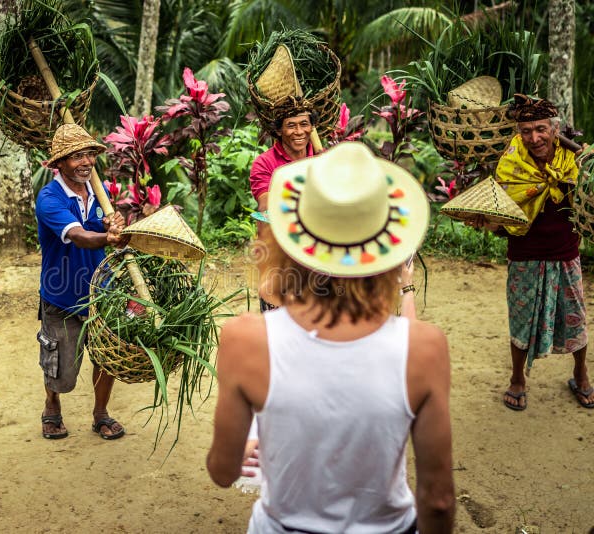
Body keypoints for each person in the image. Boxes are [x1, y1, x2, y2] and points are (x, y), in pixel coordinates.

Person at [208, 142, 455, 533]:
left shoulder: (244, 339)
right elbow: (438, 501)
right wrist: (405, 289)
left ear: (291, 241)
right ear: (389, 249)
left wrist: (248, 451)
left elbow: (223, 471)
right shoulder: (424, 348)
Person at [468, 94, 593, 411]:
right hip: (525, 254)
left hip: (566, 253)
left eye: (540, 129)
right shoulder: (511, 164)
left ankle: (581, 374)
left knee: (575, 318)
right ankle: (517, 379)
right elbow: (501, 218)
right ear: (518, 132)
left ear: (554, 129)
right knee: (520, 320)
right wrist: (486, 220)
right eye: (526, 130)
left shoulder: (575, 161)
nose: (534, 137)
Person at [35, 123, 129, 440]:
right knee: (61, 370)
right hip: (61, 296)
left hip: (101, 292)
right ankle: (52, 405)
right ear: (59, 163)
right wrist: (107, 236)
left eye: (89, 154)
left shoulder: (97, 195)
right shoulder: (50, 199)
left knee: (107, 356)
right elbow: (79, 236)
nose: (86, 161)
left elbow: (99, 227)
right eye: (76, 156)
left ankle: (101, 414)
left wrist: (111, 223)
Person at [250, 107, 319, 312]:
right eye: (291, 125)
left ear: (312, 128)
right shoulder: (265, 163)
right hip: (278, 254)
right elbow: (266, 205)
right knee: (278, 322)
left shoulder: (323, 160)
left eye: (304, 124)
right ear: (279, 131)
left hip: (318, 253)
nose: (299, 131)